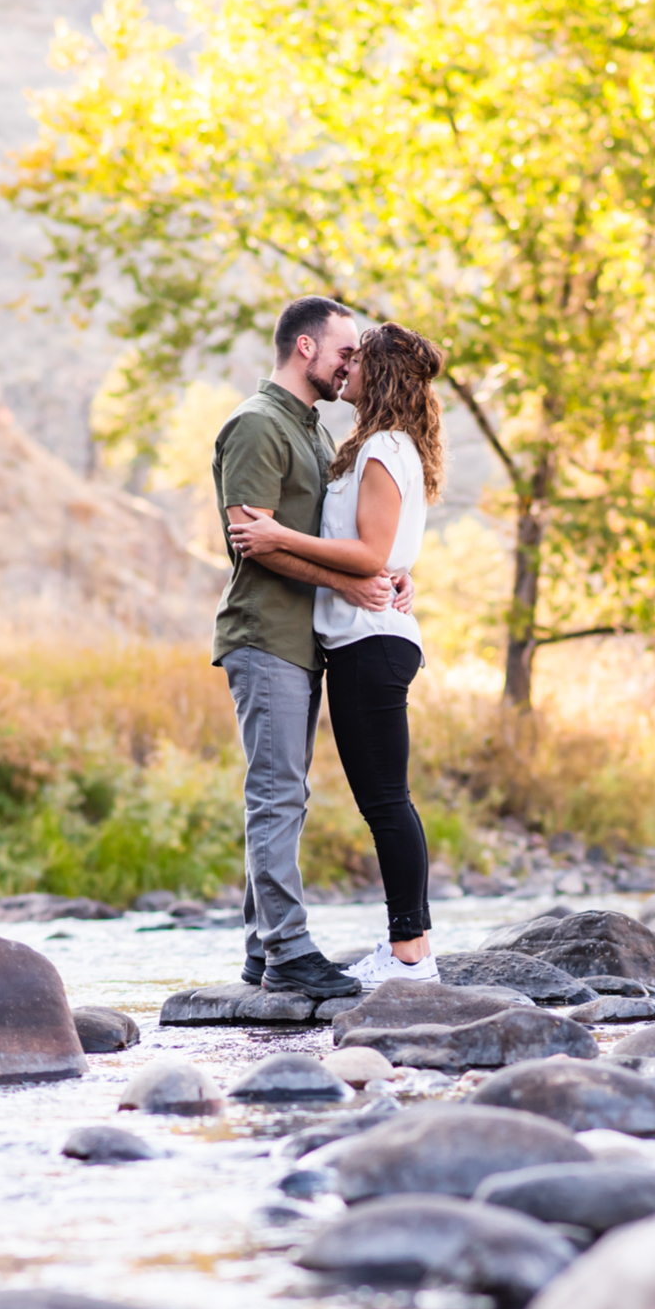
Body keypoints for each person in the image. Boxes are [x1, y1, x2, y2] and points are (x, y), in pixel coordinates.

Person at [228, 322, 443, 989]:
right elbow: (383, 553)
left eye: (358, 358)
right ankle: (285, 948)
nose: (347, 366)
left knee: (383, 802)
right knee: (369, 799)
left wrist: (278, 534)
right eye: (342, 352)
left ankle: (410, 952)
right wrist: (384, 572)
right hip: (358, 640)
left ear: (378, 374)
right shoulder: (370, 444)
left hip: (368, 643)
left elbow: (373, 553)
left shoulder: (379, 445)